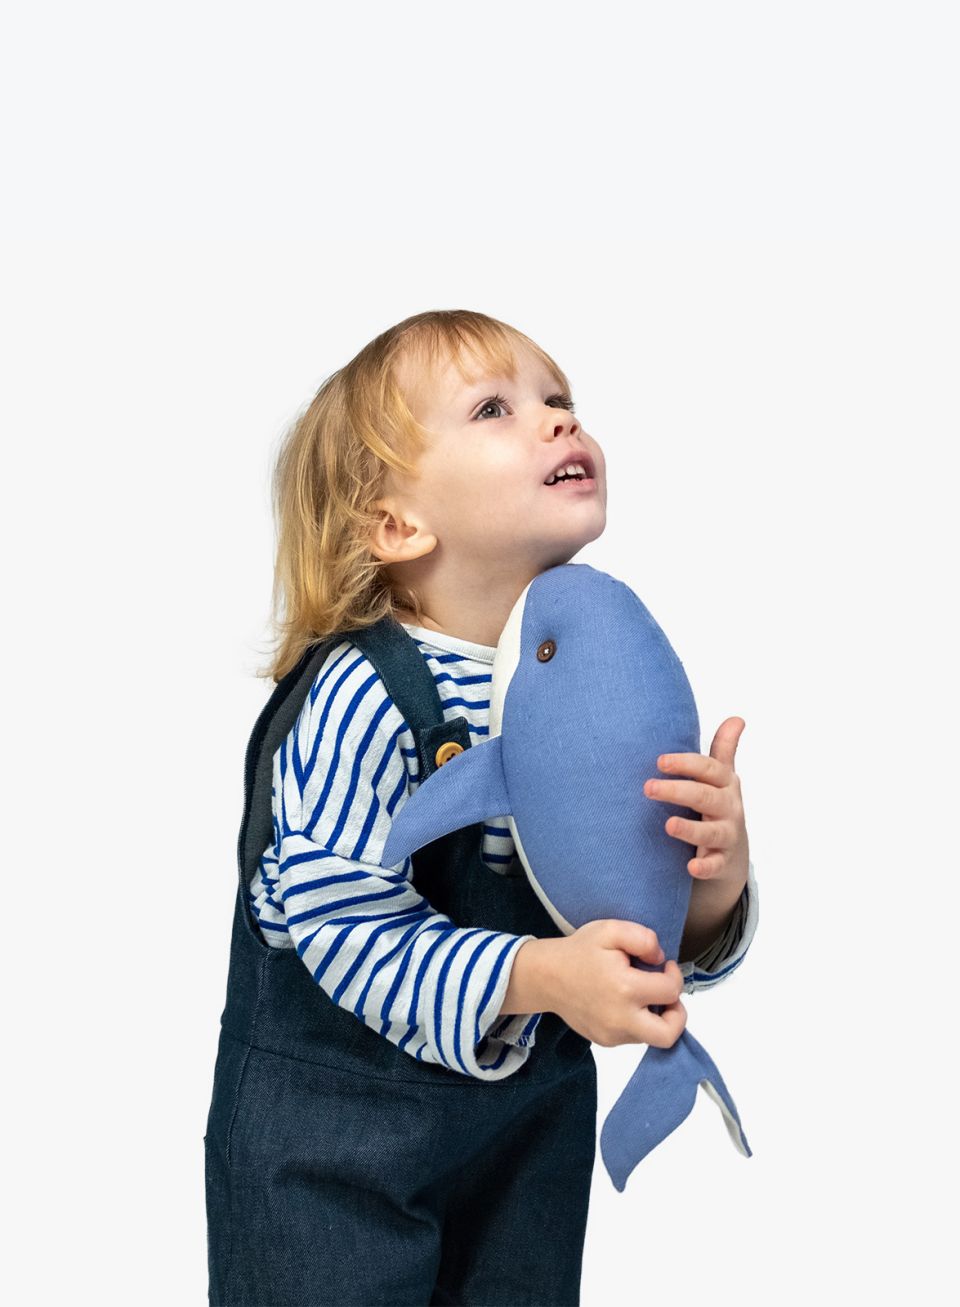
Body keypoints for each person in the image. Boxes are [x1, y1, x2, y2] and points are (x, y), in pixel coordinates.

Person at [203, 308, 758, 1306]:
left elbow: (627, 910)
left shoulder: (598, 681)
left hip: (524, 1138)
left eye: (560, 398)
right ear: (396, 524)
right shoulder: (363, 695)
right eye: (495, 409)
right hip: (330, 1146)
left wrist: (711, 881)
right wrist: (542, 974)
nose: (559, 420)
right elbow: (339, 924)